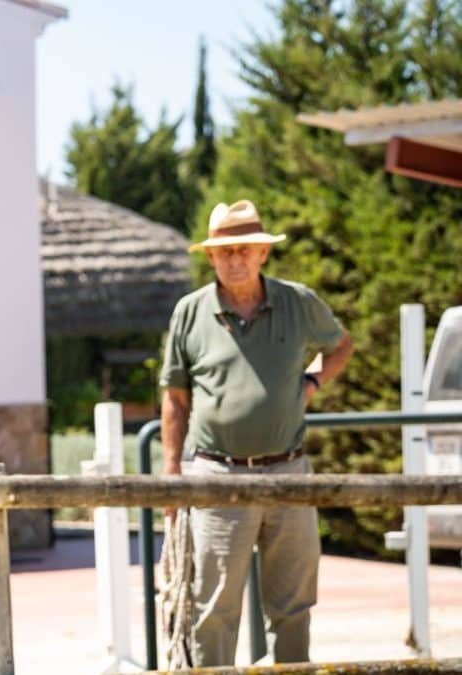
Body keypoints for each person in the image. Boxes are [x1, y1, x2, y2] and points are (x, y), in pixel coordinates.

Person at [158, 199, 354, 667]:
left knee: (294, 607)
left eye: (245, 248)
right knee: (212, 609)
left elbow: (341, 345)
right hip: (215, 476)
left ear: (263, 253)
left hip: (289, 469)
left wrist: (313, 382)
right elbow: (175, 397)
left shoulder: (297, 302)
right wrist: (170, 471)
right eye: (225, 251)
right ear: (210, 257)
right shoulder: (190, 312)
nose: (236, 258)